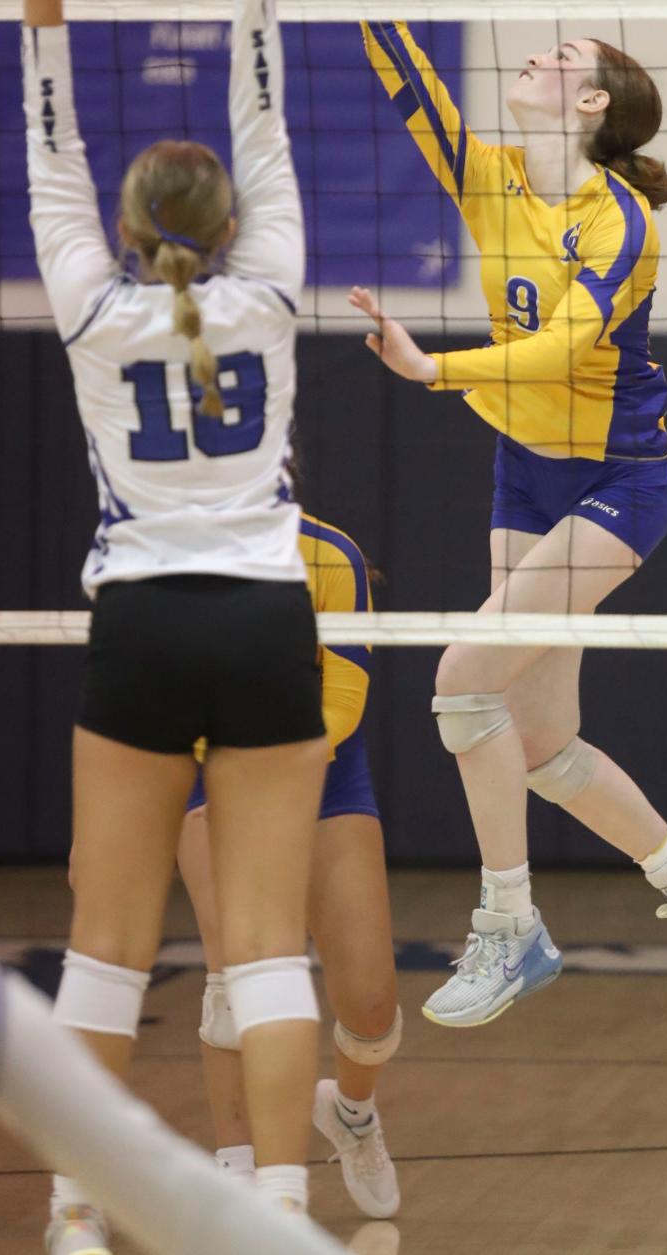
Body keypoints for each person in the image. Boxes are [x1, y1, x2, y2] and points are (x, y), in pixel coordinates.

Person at [318, 0, 667, 1030]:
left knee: (462, 688)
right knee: (542, 739)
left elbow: (573, 342)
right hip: (526, 471)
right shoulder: (490, 178)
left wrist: (435, 366)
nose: (541, 58)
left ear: (596, 103)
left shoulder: (621, 218)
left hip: (619, 484)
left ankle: (510, 925)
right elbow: (390, 49)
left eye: (568, 55)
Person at [0, 0, 329, 1252]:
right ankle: (283, 1212)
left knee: (106, 944)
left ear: (129, 231)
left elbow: (48, 150)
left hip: (141, 619)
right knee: (267, 945)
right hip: (264, 618)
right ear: (232, 222)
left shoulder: (91, 308)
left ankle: (77, 1217)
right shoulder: (277, 284)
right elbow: (269, 120)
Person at [176, 510, 401, 1220]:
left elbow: (345, 696)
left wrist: (278, 773)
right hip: (207, 765)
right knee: (233, 976)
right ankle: (242, 1177)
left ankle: (353, 1113)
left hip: (318, 762)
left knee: (370, 1004)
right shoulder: (164, 551)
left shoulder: (329, 554)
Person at [0, 906, 346, 1255]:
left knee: (109, 952)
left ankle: (74, 1218)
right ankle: (76, 1217)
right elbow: (146, 1172)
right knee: (264, 953)